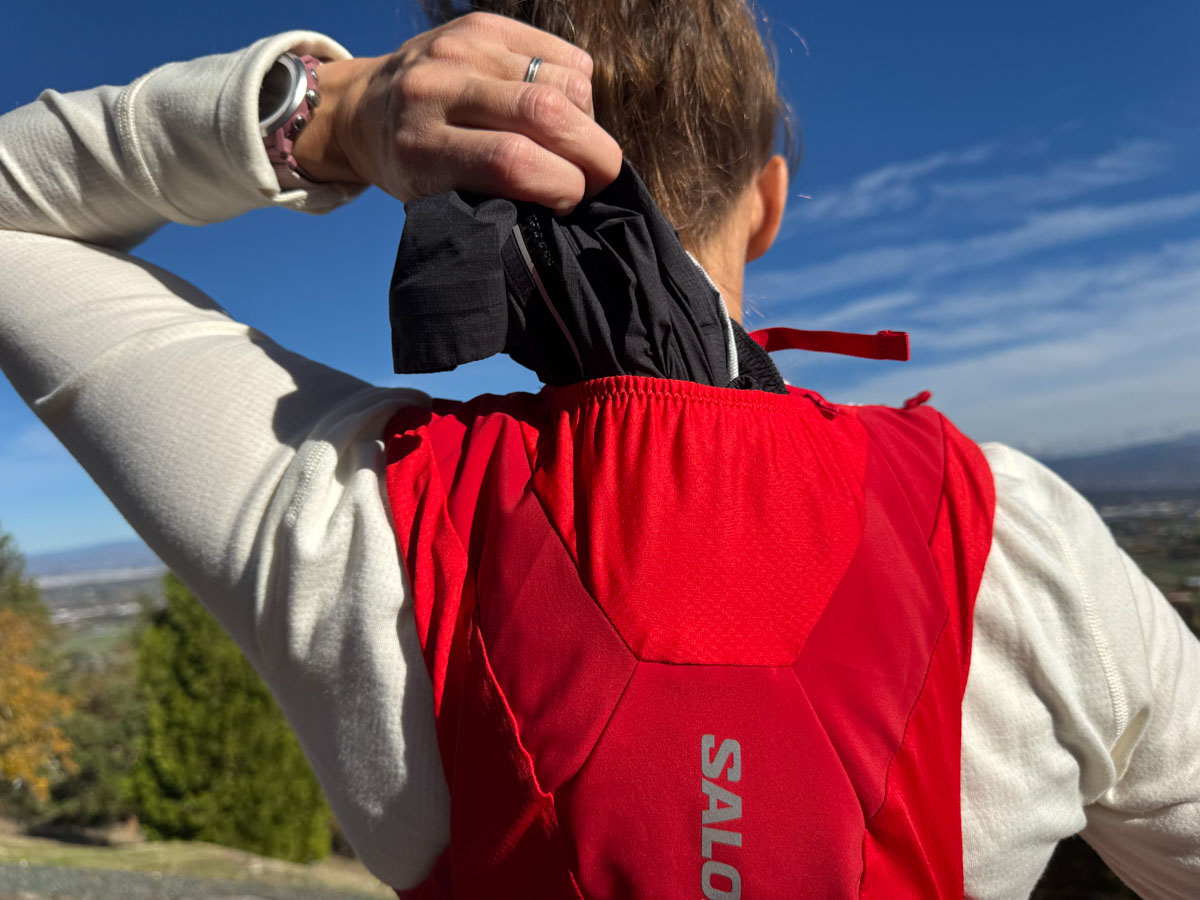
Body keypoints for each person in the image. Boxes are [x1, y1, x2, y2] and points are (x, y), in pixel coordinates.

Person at [1, 2, 1197, 897]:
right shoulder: (1008, 534)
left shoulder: (350, 515)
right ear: (769, 201)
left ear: (466, 183)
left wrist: (335, 112)